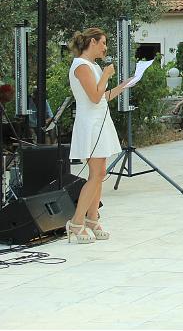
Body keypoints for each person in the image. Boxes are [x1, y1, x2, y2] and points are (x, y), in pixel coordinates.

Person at [66, 28, 130, 243]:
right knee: (95, 174)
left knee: (101, 172)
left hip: (100, 122)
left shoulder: (92, 65)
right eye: (103, 43)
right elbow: (94, 97)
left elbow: (103, 96)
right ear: (92, 42)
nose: (105, 48)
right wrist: (106, 75)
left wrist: (123, 86)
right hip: (90, 124)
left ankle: (92, 218)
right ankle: (76, 222)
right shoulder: (81, 66)